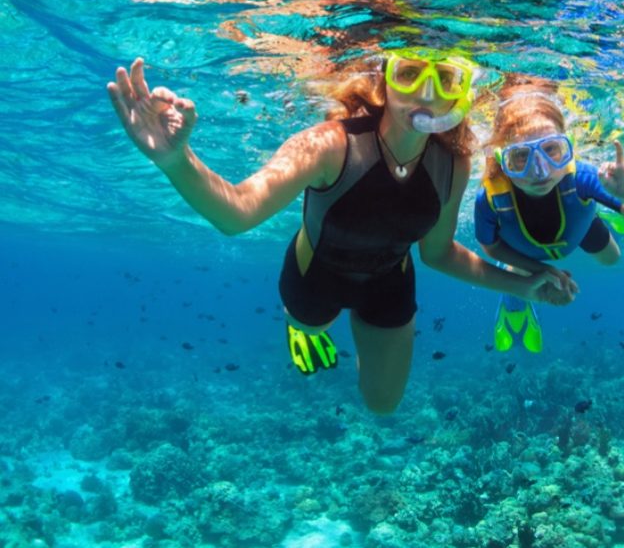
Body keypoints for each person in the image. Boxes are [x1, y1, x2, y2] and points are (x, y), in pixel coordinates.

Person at [107, 51, 573, 414]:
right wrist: (174, 159)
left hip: (390, 280)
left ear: (459, 94)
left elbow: (438, 254)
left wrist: (524, 285)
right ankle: (303, 328)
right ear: (385, 81)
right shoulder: (331, 144)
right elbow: (237, 213)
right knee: (310, 325)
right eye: (410, 74)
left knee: (383, 405)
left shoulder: (454, 162)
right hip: (315, 275)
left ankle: (334, 336)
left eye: (445, 80)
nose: (426, 94)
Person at [475, 79, 624, 353]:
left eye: (551, 150)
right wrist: (542, 271)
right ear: (503, 160)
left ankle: (611, 209)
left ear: (569, 147)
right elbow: (489, 247)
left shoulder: (583, 177)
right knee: (520, 275)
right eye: (520, 157)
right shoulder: (491, 198)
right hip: (523, 250)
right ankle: (514, 305)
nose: (539, 172)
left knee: (612, 259)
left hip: (579, 224)